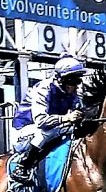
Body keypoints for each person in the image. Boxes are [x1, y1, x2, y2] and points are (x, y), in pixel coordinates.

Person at [10, 55, 91, 184]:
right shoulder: (43, 89)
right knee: (50, 131)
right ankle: (23, 165)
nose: (76, 86)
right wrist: (67, 117)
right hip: (24, 131)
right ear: (60, 79)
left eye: (78, 81)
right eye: (72, 81)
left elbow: (80, 113)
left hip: (51, 128)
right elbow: (41, 122)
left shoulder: (72, 93)